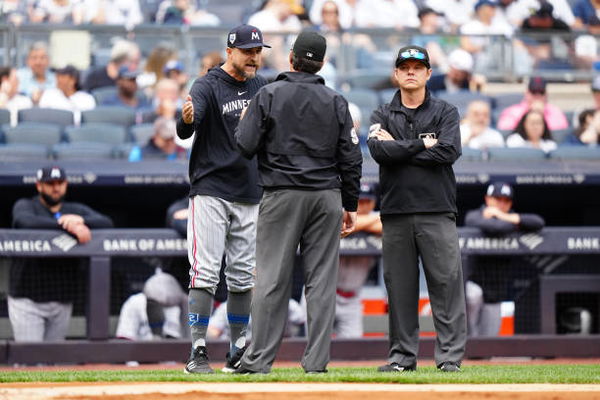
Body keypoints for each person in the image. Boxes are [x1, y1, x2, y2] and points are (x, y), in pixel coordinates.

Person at [234, 30, 362, 374]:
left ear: (291, 58)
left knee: (272, 279)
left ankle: (259, 361)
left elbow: (244, 145)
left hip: (282, 194)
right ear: (321, 63)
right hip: (326, 197)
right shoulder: (336, 100)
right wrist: (349, 204)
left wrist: (248, 117)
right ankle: (316, 362)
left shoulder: (269, 94)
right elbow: (351, 158)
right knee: (320, 282)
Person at [176, 24, 270, 374]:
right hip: (212, 189)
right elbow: (187, 122)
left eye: (258, 51)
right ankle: (197, 351)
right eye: (248, 51)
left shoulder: (263, 86)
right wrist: (186, 120)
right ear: (230, 52)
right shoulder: (208, 84)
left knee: (244, 277)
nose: (254, 57)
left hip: (250, 190)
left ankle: (237, 348)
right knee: (205, 272)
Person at [367, 45, 466, 373]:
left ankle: (449, 358)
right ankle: (401, 358)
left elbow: (448, 153)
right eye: (404, 67)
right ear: (396, 74)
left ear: (427, 74)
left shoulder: (446, 111)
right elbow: (380, 154)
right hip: (395, 212)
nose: (411, 71)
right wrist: (422, 144)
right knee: (400, 290)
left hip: (437, 210)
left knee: (446, 286)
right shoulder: (381, 113)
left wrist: (399, 147)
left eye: (417, 67)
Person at [8, 166, 114, 342]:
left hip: (61, 299)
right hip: (27, 299)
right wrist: (66, 226)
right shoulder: (26, 205)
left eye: (60, 183)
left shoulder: (75, 209)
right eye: (50, 183)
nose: (56, 188)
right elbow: (25, 222)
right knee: (30, 362)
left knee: (54, 363)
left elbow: (107, 223)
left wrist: (82, 221)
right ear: (39, 186)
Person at [464, 182, 545, 336]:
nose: (501, 203)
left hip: (496, 292)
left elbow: (538, 222)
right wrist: (514, 223)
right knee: (472, 296)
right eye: (497, 199)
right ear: (487, 199)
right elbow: (495, 228)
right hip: (472, 284)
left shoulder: (510, 217)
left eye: (505, 200)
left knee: (488, 344)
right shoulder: (474, 215)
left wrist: (502, 216)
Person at [335, 182, 381, 338]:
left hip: (352, 298)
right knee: (314, 346)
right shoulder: (339, 211)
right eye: (359, 201)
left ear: (374, 202)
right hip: (325, 294)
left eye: (367, 201)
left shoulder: (377, 217)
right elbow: (339, 221)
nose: (363, 205)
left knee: (352, 347)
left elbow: (386, 225)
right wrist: (367, 222)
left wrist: (354, 222)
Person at [116, 269, 188, 340]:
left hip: (177, 350)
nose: (165, 298)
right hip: (141, 350)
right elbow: (125, 340)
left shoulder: (185, 303)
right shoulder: (135, 302)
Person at [207, 299, 306, 342]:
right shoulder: (227, 306)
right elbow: (213, 332)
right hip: (235, 352)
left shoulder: (287, 304)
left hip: (278, 353)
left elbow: (303, 324)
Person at [497, 76, 569, 131]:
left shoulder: (555, 112)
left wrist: (541, 115)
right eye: (534, 92)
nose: (537, 96)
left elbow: (560, 133)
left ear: (546, 95)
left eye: (541, 92)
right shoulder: (512, 112)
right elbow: (505, 130)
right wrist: (529, 115)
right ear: (526, 93)